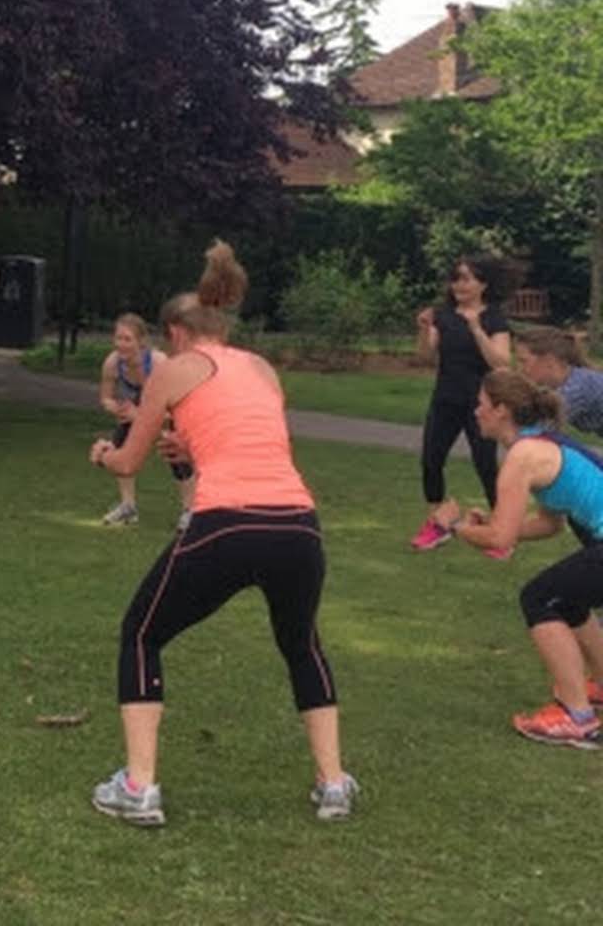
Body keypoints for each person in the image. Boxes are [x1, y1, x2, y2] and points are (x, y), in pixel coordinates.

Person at [87, 240, 355, 826]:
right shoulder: (261, 368)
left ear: (175, 334)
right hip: (297, 525)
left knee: (141, 634)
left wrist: (105, 453)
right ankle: (333, 784)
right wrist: (192, 450)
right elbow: (252, 442)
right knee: (302, 644)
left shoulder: (172, 369)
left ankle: (138, 787)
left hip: (227, 523)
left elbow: (130, 461)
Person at [434, 369, 603, 747]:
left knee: (539, 598)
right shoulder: (537, 445)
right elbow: (549, 524)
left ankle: (577, 717)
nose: (475, 411)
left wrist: (456, 526)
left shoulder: (523, 456)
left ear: (502, 410)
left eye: (481, 404)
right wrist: (491, 524)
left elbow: (501, 538)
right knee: (567, 600)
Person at [410, 255, 511, 553]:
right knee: (431, 460)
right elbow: (424, 358)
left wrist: (476, 328)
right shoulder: (443, 315)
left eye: (466, 279)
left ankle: (501, 534)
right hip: (446, 398)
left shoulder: (494, 318)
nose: (459, 285)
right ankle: (437, 524)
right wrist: (423, 328)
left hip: (482, 404)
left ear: (483, 284)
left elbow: (501, 363)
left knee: (485, 465)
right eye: (455, 278)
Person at [97, 313, 165, 525]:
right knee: (120, 450)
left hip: (167, 409)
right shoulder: (112, 363)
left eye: (127, 339)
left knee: (177, 456)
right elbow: (105, 398)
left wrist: (141, 415)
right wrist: (115, 408)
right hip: (134, 410)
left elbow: (173, 403)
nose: (121, 344)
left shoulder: (158, 362)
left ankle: (190, 511)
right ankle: (128, 507)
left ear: (141, 341)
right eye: (118, 338)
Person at [514, 326, 603, 437]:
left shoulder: (575, 390)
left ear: (549, 361)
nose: (519, 368)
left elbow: (539, 431)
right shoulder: (570, 381)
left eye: (523, 361)